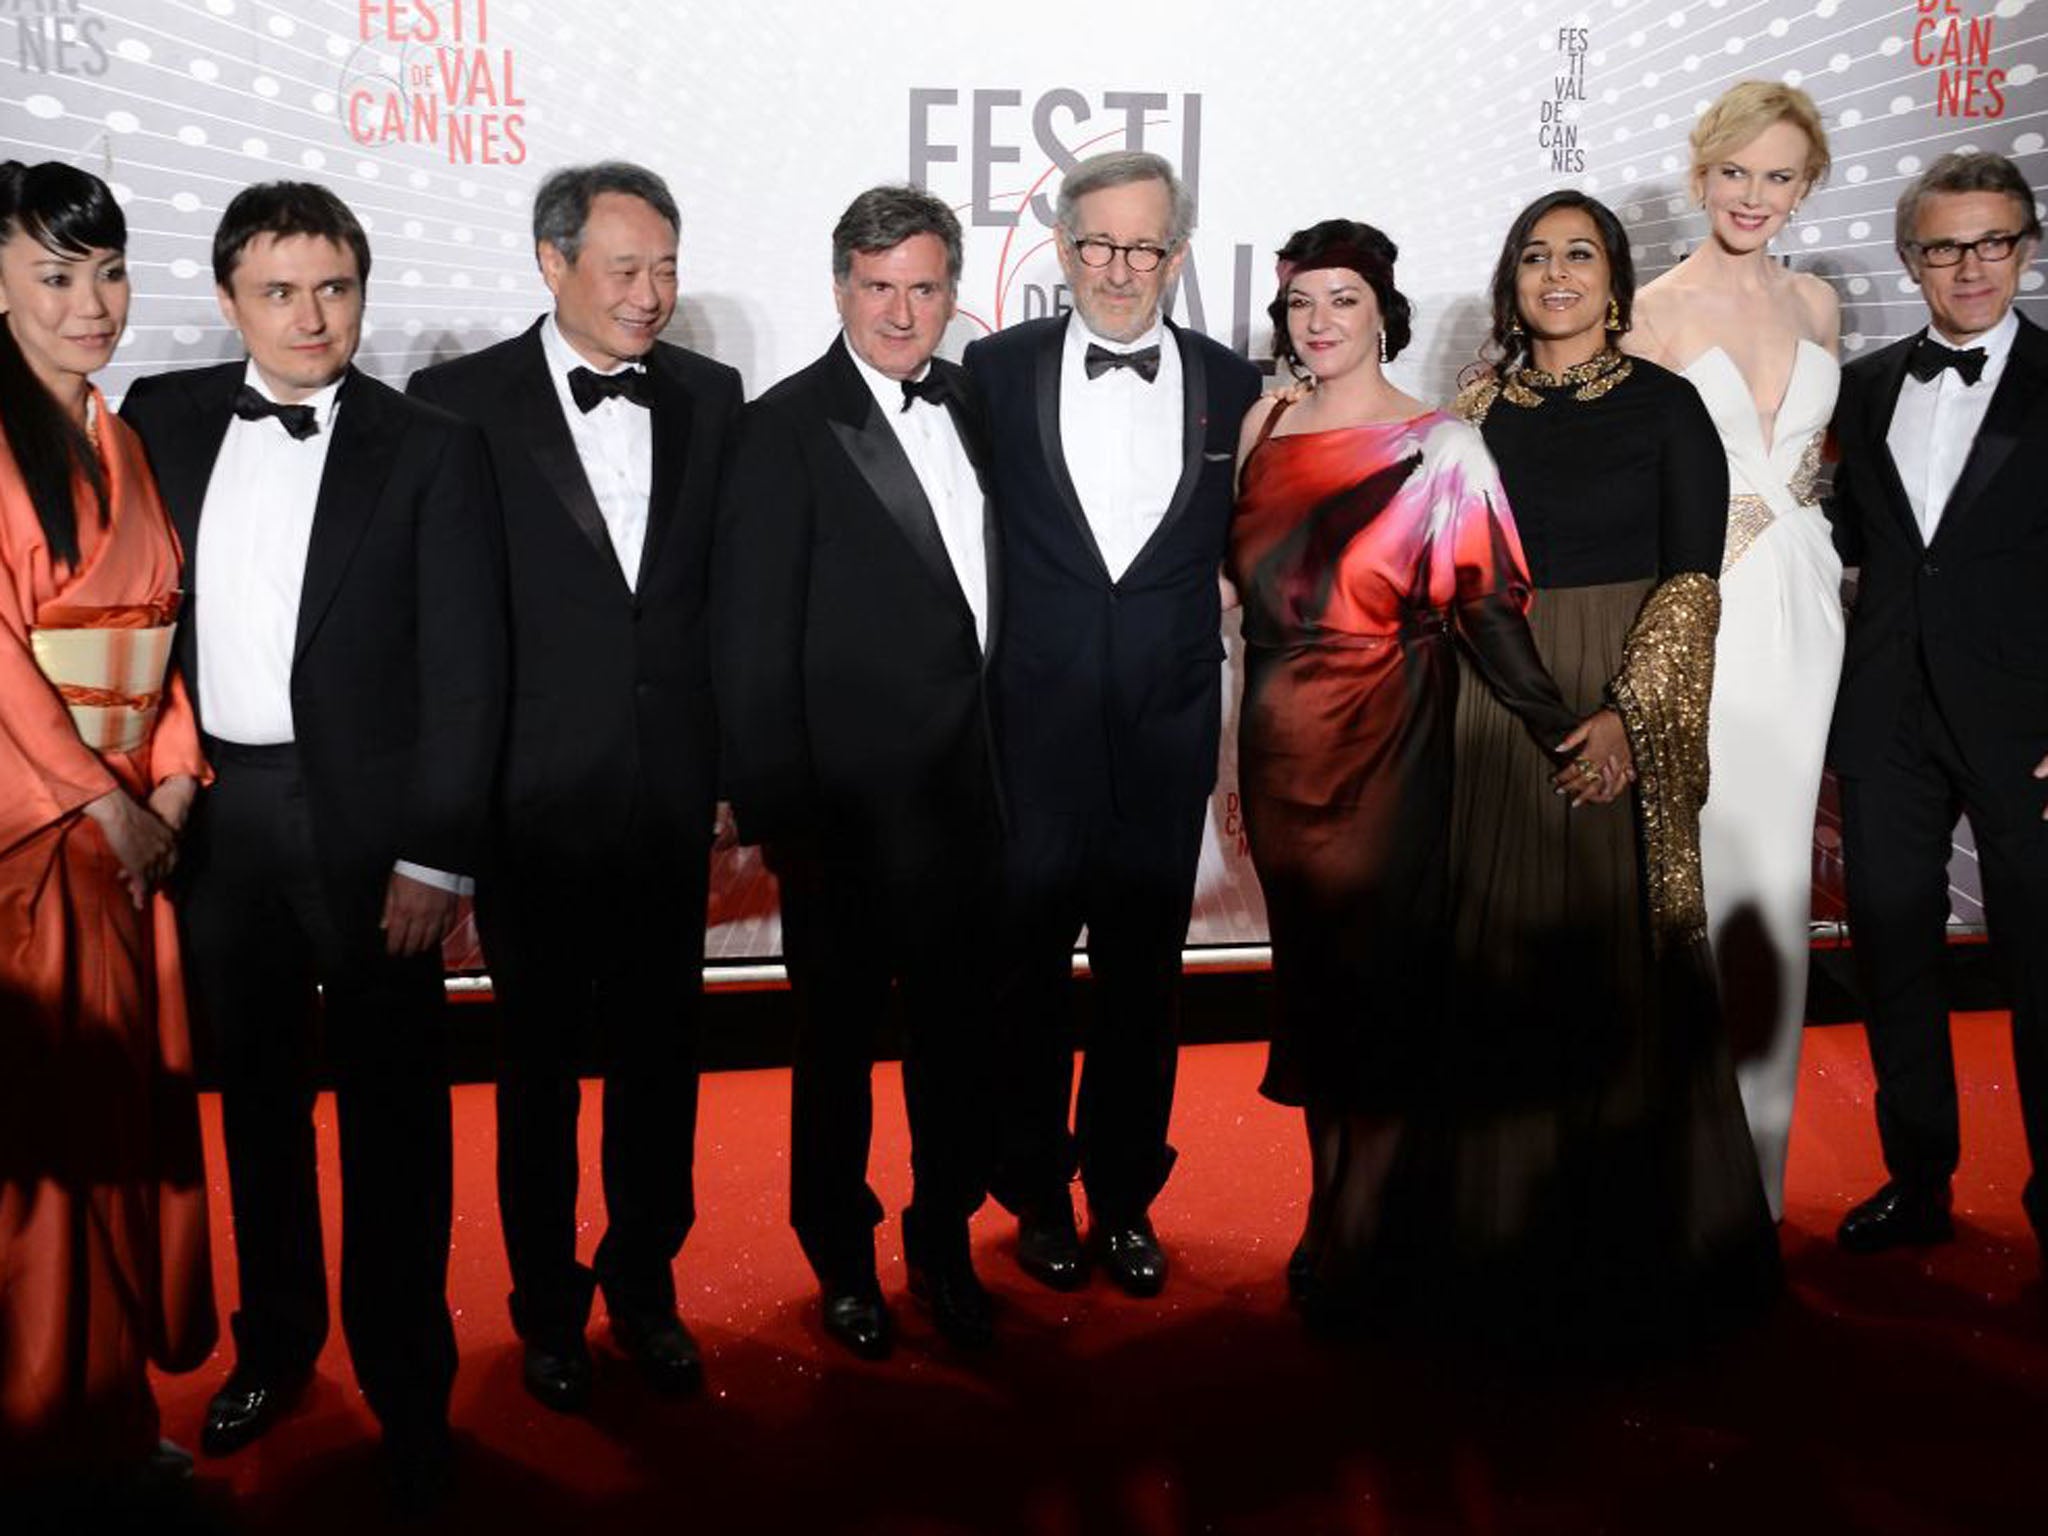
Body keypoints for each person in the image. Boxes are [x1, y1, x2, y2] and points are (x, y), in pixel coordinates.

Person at [121, 181, 504, 1503]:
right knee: (261, 1116)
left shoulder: (434, 445)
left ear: (363, 291)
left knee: (397, 1124)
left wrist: (437, 857)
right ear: (230, 299)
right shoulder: (159, 419)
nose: (309, 315)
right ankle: (274, 1350)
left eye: (333, 287)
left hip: (374, 834)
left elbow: (469, 671)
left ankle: (410, 1385)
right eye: (278, 290)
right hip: (213, 823)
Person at [408, 162, 742, 1410]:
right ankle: (546, 1310)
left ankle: (645, 1291)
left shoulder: (713, 397)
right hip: (530, 805)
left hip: (669, 797)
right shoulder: (455, 403)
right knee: (539, 1078)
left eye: (666, 266)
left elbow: (723, 605)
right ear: (551, 265)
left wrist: (730, 772)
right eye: (624, 268)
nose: (651, 294)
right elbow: (443, 624)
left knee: (661, 1071)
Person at [1439, 190, 1780, 1343]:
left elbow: (1691, 582)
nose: (1555, 273)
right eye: (1532, 255)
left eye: (1577, 254)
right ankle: (1499, 1245)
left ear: (1614, 279)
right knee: (1498, 948)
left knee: (1621, 951)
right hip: (1498, 703)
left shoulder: (1666, 407)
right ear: (1509, 282)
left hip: (1624, 697)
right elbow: (1452, 578)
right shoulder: (1472, 414)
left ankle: (1637, 1246)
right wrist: (1529, 705)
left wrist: (1629, 721)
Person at [1226, 217, 1583, 1316]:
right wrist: (1223, 769)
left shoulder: (1441, 443)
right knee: (1318, 987)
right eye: (1300, 304)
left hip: (1387, 735)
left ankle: (1364, 1229)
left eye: (1342, 299)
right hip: (1278, 744)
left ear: (1383, 311)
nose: (1319, 322)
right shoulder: (1266, 419)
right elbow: (1240, 616)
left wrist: (1561, 725)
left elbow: (1487, 604)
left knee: (1379, 981)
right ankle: (1333, 1200)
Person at [963, 150, 1261, 1297]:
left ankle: (1126, 1200)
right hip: (1027, 738)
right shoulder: (991, 372)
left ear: (1176, 255)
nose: (1119, 269)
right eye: (1097, 244)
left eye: (1144, 247)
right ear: (1060, 247)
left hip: (1161, 735)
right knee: (1024, 984)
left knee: (1144, 991)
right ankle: (1033, 1195)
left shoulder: (1235, 388)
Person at [714, 185, 1000, 1356]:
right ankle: (839, 1261)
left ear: (949, 292)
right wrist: (783, 810)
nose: (900, 310)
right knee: (832, 1056)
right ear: (838, 287)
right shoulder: (783, 426)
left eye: (923, 287)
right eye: (877, 287)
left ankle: (942, 1244)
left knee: (954, 1051)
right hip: (843, 815)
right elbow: (751, 635)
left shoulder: (979, 407)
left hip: (972, 801)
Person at [0, 159, 215, 1499]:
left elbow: (163, 640)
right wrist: (94, 799)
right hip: (40, 845)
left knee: (122, 1129)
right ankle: (31, 1432)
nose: (94, 303)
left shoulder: (122, 435)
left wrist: (177, 777)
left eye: (109, 270)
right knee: (45, 1148)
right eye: (56, 275)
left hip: (137, 831)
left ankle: (101, 1409)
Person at [1625, 81, 1845, 1219]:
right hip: (1697, 619)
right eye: (1733, 172)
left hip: (1801, 614)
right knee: (1685, 885)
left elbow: (1814, 460)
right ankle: (1672, 1176)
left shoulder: (1816, 306)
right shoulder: (1649, 311)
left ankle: (1751, 1179)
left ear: (1804, 188)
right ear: (1699, 172)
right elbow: (1618, 479)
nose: (1751, 196)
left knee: (1770, 885)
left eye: (1777, 176)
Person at [1828, 153, 2048, 1260]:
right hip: (1884, 726)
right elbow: (1863, 552)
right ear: (1910, 257)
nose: (1968, 267)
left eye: (1992, 241)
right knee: (1892, 957)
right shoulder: (1863, 388)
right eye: (1944, 246)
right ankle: (1916, 1180)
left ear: (2025, 246)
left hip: (2025, 731)